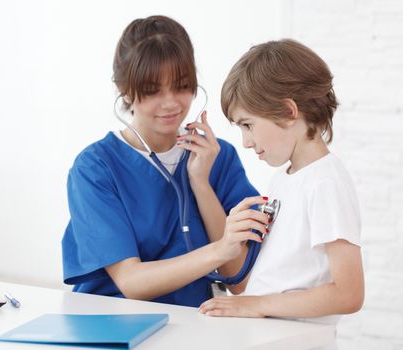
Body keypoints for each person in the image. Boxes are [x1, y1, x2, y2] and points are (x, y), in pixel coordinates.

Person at [61, 15, 269, 307]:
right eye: (152, 90)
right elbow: (131, 282)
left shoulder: (218, 158)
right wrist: (221, 249)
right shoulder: (95, 168)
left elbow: (238, 277)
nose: (171, 102)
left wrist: (200, 183)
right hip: (111, 325)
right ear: (125, 90)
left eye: (182, 86)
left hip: (192, 325)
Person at [199, 39, 364, 323]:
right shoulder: (283, 179)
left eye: (247, 125)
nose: (246, 142)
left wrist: (255, 305)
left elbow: (348, 294)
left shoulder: (325, 183)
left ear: (289, 113)